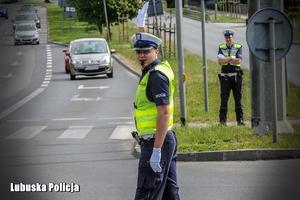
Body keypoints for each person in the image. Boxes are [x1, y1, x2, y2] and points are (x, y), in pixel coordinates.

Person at [132, 2, 180, 200]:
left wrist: (156, 151)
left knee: (147, 193)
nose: (141, 55)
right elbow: (146, 43)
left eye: (146, 52)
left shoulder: (156, 76)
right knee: (170, 194)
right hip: (163, 139)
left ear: (156, 52)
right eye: (138, 52)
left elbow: (164, 113)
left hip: (156, 142)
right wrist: (141, 28)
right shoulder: (155, 69)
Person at [217, 29, 245, 126]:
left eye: (230, 37)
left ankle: (240, 120)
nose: (228, 39)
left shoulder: (238, 47)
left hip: (236, 77)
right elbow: (220, 61)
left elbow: (238, 61)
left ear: (233, 37)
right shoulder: (221, 47)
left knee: (238, 98)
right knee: (224, 99)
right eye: (226, 37)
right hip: (225, 77)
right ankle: (222, 121)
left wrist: (226, 60)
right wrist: (230, 58)